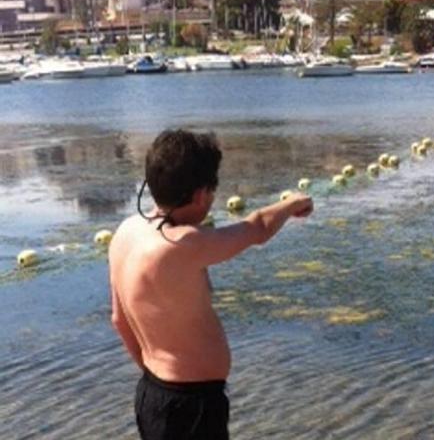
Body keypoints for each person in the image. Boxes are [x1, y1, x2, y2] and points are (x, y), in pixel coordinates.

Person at [108, 130, 313, 439]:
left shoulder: (125, 232)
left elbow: (119, 320)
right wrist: (292, 203)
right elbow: (256, 228)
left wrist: (157, 375)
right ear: (202, 194)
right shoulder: (180, 243)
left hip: (153, 395)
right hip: (189, 407)